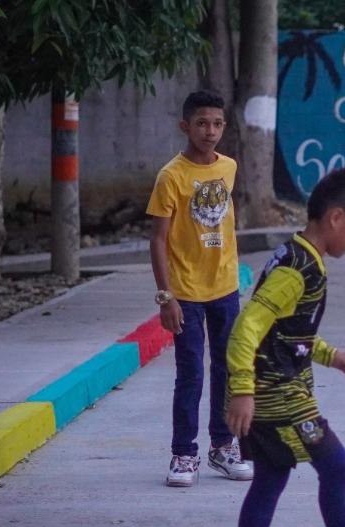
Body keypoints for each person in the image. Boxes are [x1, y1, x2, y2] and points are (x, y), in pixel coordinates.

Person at [221, 168, 345, 527]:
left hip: (278, 392)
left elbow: (287, 331)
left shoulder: (297, 254)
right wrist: (243, 390)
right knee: (337, 467)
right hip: (279, 400)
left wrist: (330, 355)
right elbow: (247, 328)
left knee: (270, 479)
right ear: (335, 218)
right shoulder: (300, 267)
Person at [146, 89, 253, 487]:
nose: (210, 131)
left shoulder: (229, 167)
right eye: (202, 123)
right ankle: (183, 454)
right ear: (185, 126)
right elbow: (158, 239)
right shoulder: (171, 176)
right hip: (186, 292)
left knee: (227, 369)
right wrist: (166, 296)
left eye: (217, 124)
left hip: (224, 288)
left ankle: (223, 447)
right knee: (190, 373)